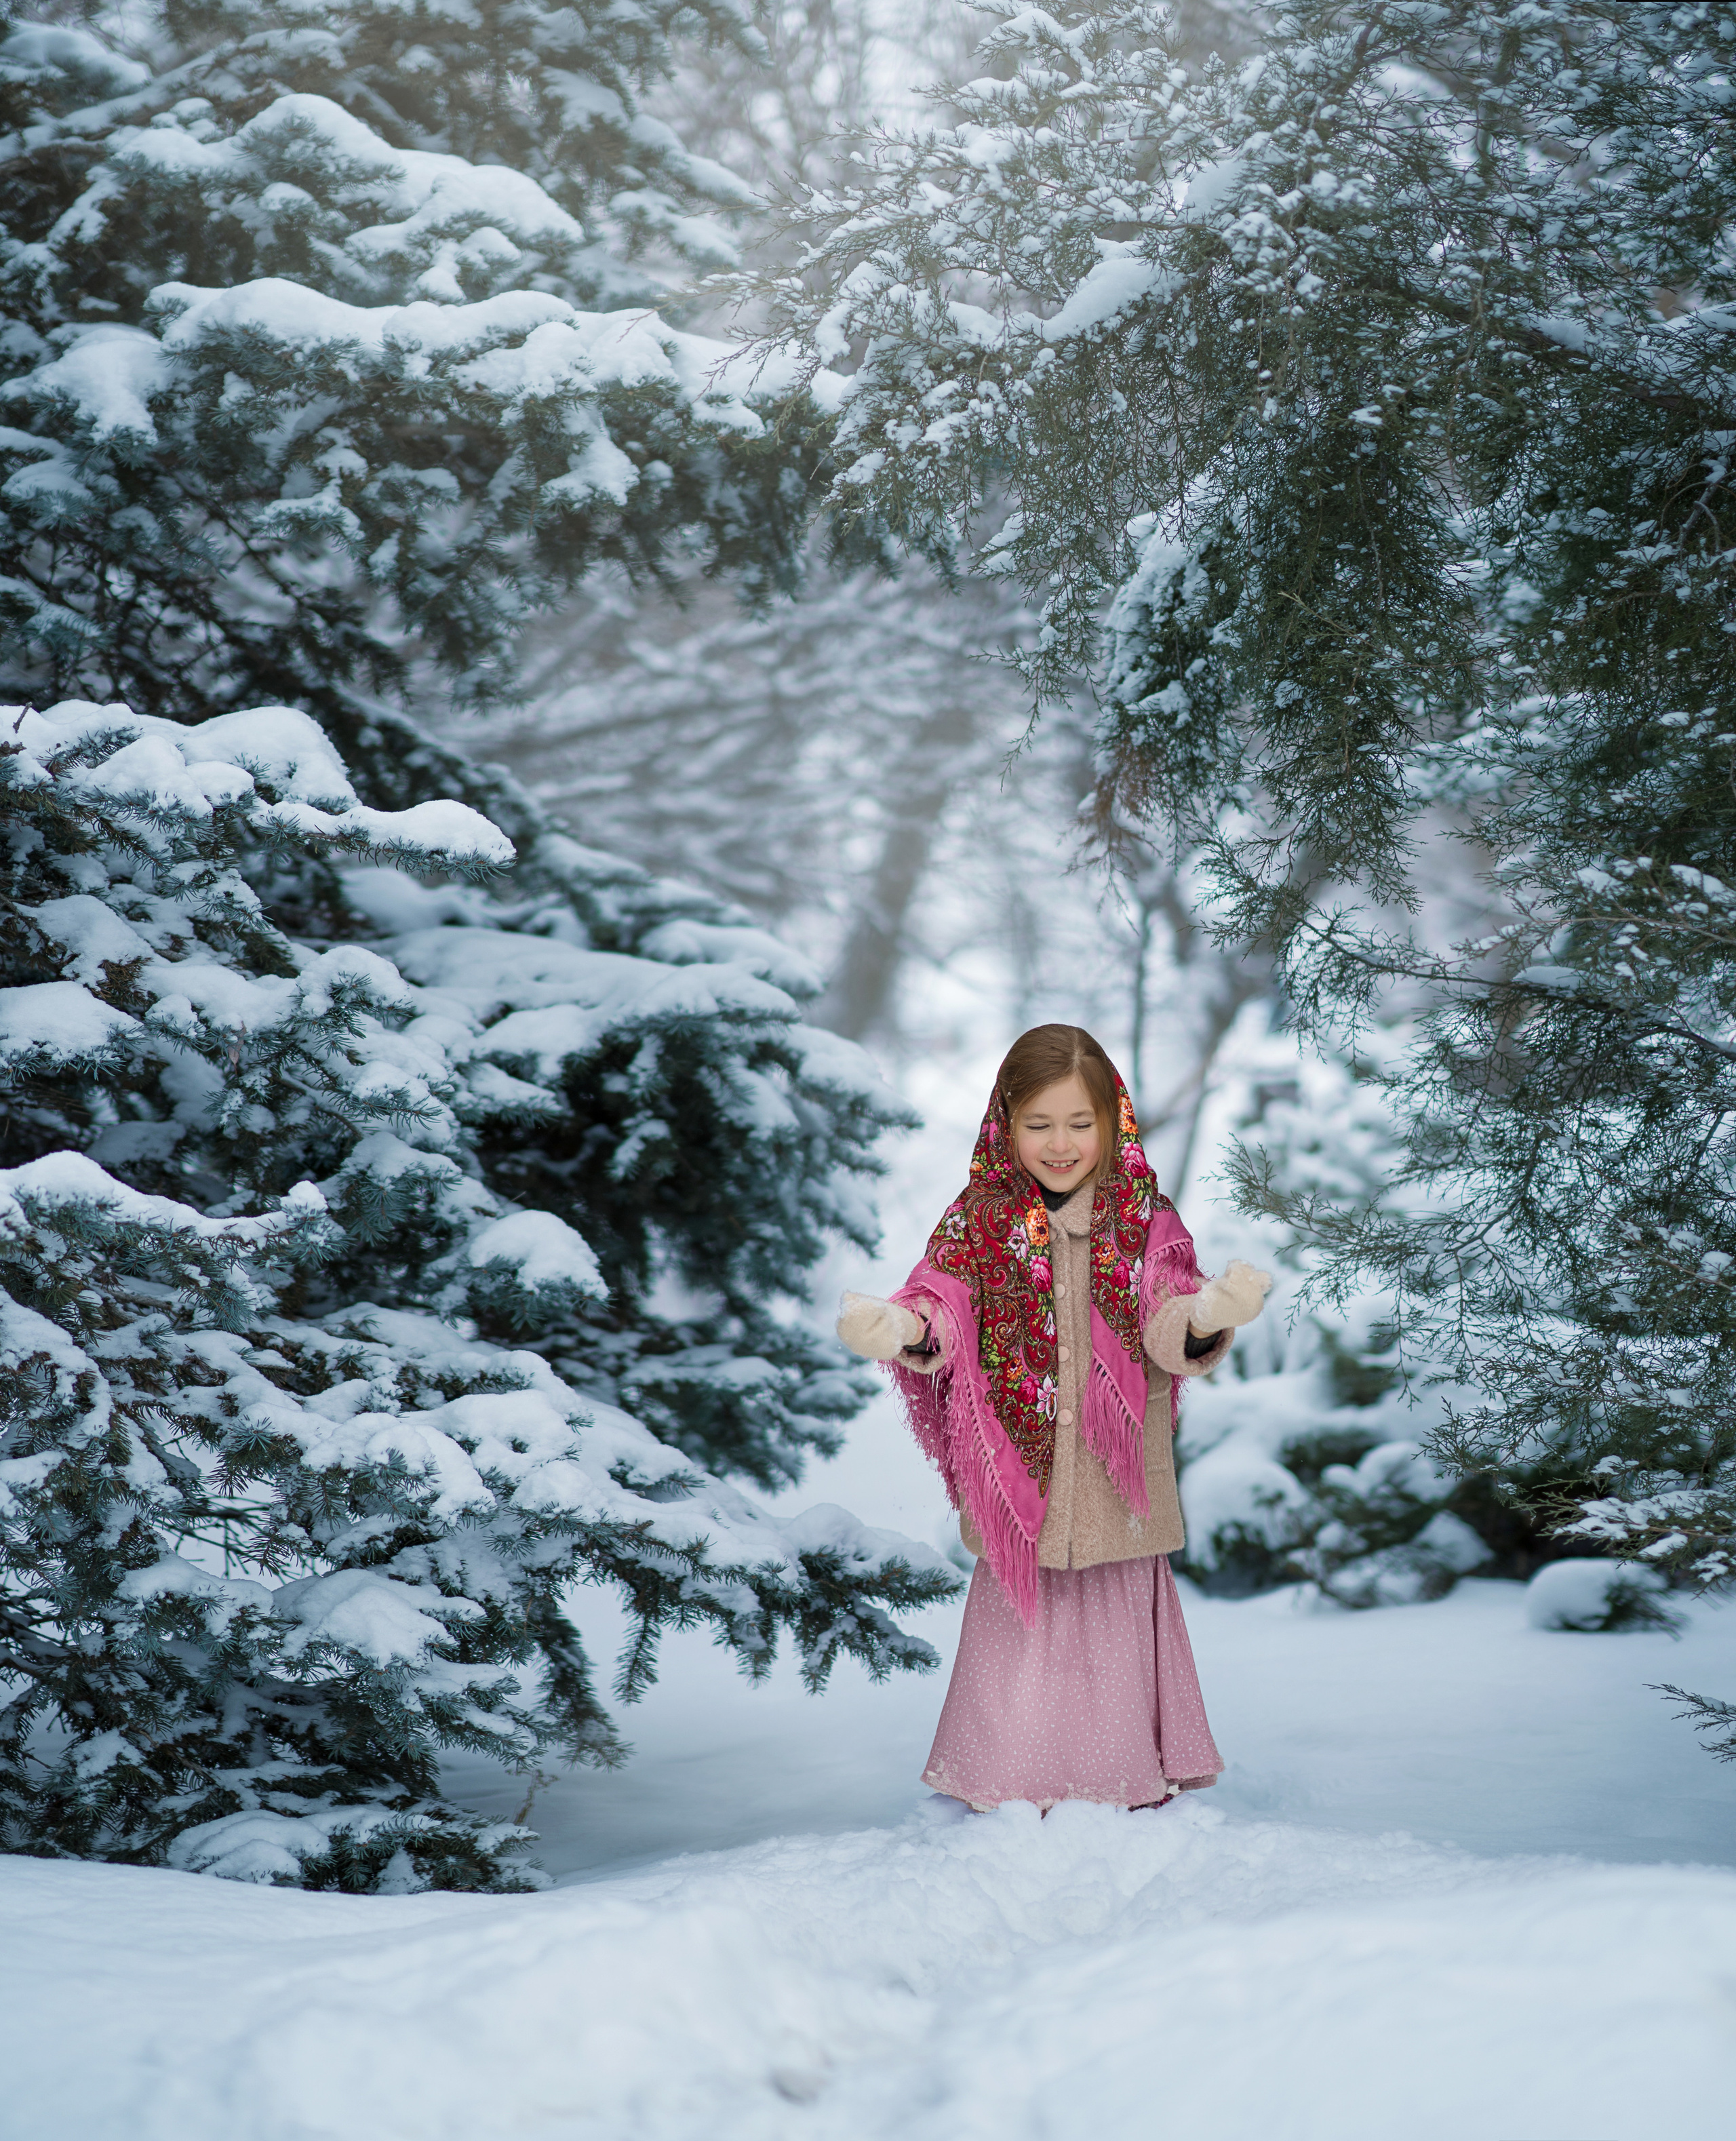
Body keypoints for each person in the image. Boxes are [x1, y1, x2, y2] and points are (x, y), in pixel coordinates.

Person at [836, 1023, 1271, 1813]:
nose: (1061, 1143)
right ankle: (1002, 1773)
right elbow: (945, 1308)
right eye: (1039, 1124)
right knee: (1019, 1632)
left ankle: (1121, 1774)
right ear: (1006, 1125)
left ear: (1114, 1122)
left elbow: (1167, 1323)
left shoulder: (1145, 1220)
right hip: (1019, 1480)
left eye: (1080, 1122)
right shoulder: (978, 1221)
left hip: (1115, 1480)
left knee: (1109, 1625)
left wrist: (1207, 1313)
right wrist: (903, 1328)